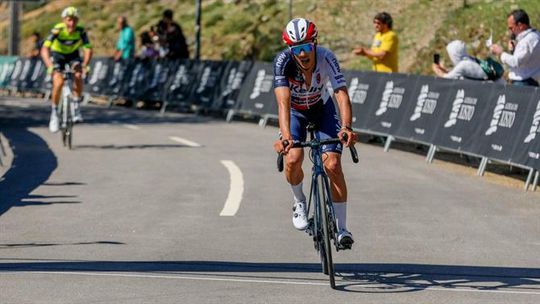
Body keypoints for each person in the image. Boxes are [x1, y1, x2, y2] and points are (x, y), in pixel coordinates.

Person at [273, 18, 356, 249]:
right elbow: (283, 102)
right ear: (290, 50)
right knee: (293, 158)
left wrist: (346, 127)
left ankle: (341, 228)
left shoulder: (327, 57)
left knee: (332, 166)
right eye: (296, 49)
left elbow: (341, 94)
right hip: (295, 113)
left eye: (307, 47)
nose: (302, 54)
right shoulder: (282, 62)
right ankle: (299, 200)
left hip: (322, 109)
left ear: (315, 44)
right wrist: (287, 137)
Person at [41, 6, 92, 132]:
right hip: (58, 56)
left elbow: (88, 49)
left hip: (73, 56)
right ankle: (54, 114)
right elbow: (44, 49)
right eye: (69, 20)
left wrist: (85, 64)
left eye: (75, 20)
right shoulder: (57, 30)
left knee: (79, 75)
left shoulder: (80, 31)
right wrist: (49, 66)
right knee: (58, 82)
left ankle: (76, 105)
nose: (72, 23)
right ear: (64, 20)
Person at [490, 9, 540, 87]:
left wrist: (500, 53)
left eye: (511, 28)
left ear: (520, 26)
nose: (511, 31)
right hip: (528, 82)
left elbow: (516, 62)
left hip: (523, 84)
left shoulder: (527, 40)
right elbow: (524, 61)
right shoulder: (535, 36)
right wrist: (513, 50)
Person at [432, 40, 505, 84]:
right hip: (498, 84)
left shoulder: (463, 65)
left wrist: (436, 69)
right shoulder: (469, 59)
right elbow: (454, 74)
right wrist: (442, 69)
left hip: (496, 90)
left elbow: (447, 79)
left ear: (454, 54)